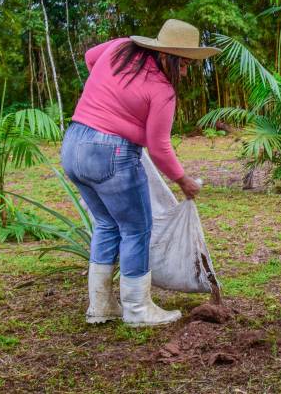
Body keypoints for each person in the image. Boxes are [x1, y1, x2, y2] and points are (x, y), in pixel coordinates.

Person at [61, 19, 220, 326]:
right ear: (167, 56)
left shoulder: (120, 49)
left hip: (73, 145)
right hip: (111, 154)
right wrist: (183, 181)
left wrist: (108, 94)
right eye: (184, 64)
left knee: (107, 224)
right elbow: (158, 146)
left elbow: (90, 57)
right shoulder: (162, 90)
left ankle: (101, 304)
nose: (185, 72)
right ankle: (137, 309)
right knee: (136, 229)